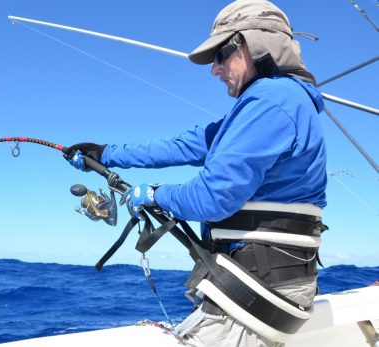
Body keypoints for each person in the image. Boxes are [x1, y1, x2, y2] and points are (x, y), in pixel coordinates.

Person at [66, 1, 327, 346]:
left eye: (220, 54)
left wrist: (153, 195)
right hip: (258, 284)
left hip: (255, 292)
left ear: (253, 43)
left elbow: (212, 197)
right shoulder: (269, 104)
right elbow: (184, 145)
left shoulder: (272, 101)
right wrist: (106, 154)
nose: (214, 70)